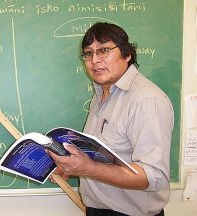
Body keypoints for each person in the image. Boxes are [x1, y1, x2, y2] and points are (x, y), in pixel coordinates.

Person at [47, 22, 174, 216]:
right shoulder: (100, 94)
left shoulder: (147, 100)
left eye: (104, 50)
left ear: (127, 54)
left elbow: (154, 176)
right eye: (88, 53)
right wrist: (72, 167)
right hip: (98, 209)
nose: (94, 60)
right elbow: (104, 156)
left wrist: (89, 168)